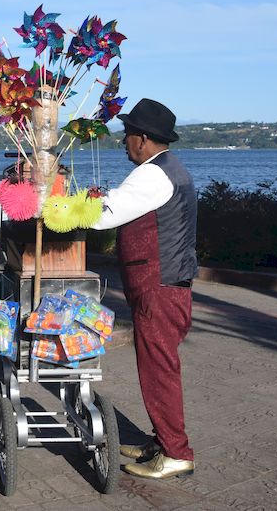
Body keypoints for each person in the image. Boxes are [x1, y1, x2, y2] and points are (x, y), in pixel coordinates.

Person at [90, 98, 198, 480]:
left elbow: (107, 214)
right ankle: (163, 441)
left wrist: (66, 208)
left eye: (128, 134)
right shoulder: (169, 168)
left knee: (159, 371)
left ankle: (175, 452)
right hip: (168, 284)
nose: (124, 141)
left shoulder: (152, 175)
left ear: (144, 139)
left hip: (160, 286)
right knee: (158, 367)